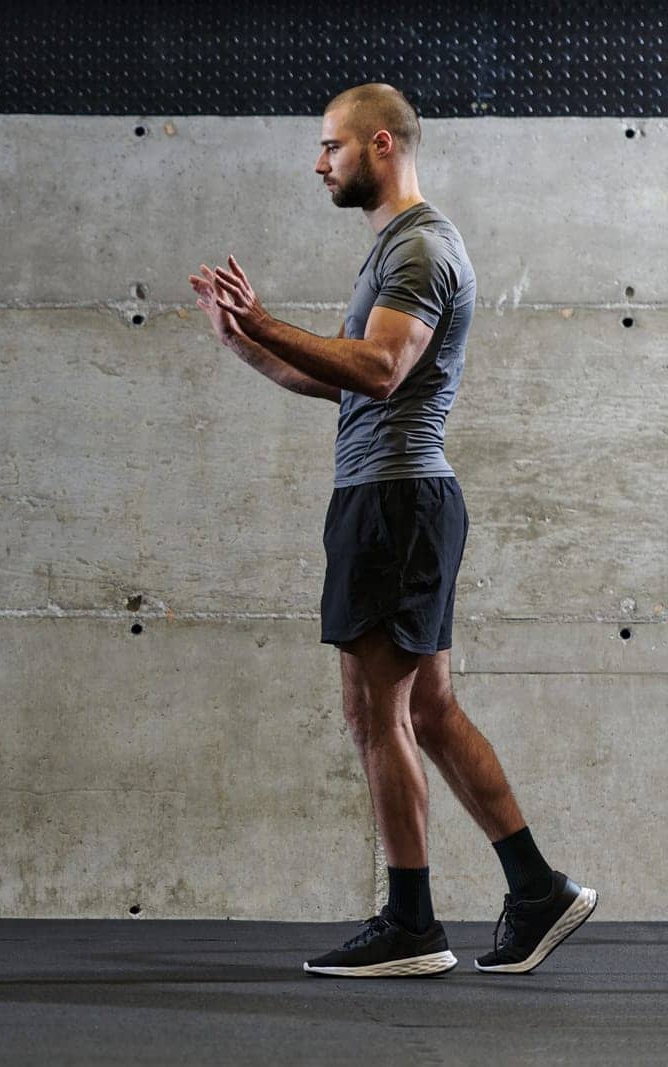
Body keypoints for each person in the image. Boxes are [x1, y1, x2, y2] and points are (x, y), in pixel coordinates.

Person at [190, 83, 596, 977]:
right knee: (431, 710)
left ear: (380, 144)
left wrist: (265, 319)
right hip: (394, 496)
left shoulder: (419, 250)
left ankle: (412, 923)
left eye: (330, 146)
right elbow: (341, 381)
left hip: (397, 503)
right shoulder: (396, 250)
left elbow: (378, 370)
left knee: (376, 714)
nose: (318, 162)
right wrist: (248, 344)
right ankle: (537, 889)